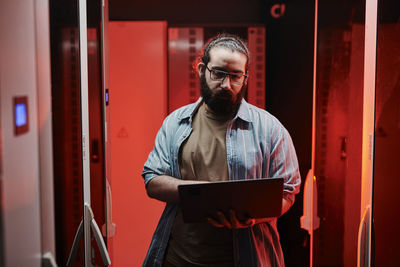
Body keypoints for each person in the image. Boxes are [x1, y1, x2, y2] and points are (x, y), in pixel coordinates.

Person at [142, 33, 301, 267]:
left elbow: (287, 192)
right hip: (179, 259)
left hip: (247, 259)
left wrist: (253, 217)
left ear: (245, 78)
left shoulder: (270, 129)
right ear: (201, 70)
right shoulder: (175, 123)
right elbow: (152, 179)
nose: (226, 85)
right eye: (218, 73)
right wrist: (203, 194)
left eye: (236, 76)